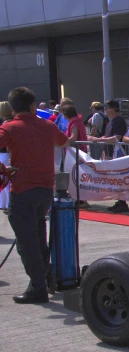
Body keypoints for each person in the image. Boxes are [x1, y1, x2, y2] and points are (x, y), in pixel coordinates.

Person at [0, 87, 69, 304]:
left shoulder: (9, 127)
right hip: (45, 189)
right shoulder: (47, 125)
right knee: (39, 234)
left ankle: (37, 287)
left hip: (22, 191)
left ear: (12, 108)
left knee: (26, 242)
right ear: (32, 105)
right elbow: (64, 141)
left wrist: (4, 170)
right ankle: (46, 277)